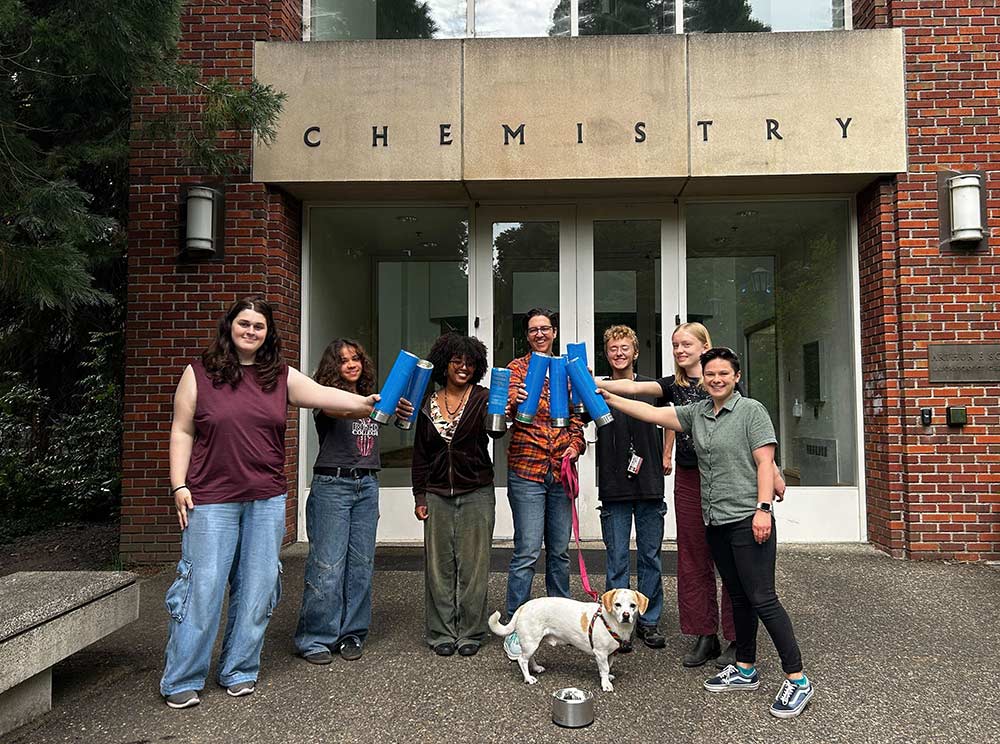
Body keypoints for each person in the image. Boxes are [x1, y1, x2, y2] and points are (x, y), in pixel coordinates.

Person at [162, 297, 378, 710]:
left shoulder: (279, 375)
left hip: (266, 498)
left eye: (258, 326)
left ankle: (239, 669)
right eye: (244, 323)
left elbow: (324, 395)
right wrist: (178, 485)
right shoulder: (198, 373)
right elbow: (182, 431)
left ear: (267, 333)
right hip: (211, 499)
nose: (250, 331)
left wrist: (369, 403)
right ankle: (182, 678)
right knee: (202, 589)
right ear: (230, 327)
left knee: (259, 588)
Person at [599, 347, 814, 719]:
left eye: (723, 374)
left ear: (736, 377)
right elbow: (651, 412)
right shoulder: (697, 413)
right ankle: (745, 668)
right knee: (738, 595)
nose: (716, 379)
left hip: (748, 518)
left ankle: (797, 679)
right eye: (711, 374)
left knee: (763, 598)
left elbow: (765, 463)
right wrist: (608, 396)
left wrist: (763, 510)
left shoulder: (751, 411)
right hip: (715, 520)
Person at [598, 322, 784, 668]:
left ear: (704, 347)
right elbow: (635, 389)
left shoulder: (722, 379)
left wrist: (773, 472)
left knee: (733, 561)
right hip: (689, 476)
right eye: (675, 345)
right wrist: (597, 384)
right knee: (693, 558)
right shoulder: (674, 385)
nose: (680, 350)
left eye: (686, 344)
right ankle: (705, 634)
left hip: (728, 477)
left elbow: (756, 434)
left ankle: (737, 638)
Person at [502, 308, 586, 661]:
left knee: (559, 552)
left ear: (554, 332)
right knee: (526, 551)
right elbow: (504, 412)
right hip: (527, 470)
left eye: (545, 328)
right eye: (533, 329)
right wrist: (513, 400)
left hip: (560, 472)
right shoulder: (516, 369)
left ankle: (561, 623)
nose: (539, 334)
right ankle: (515, 625)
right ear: (527, 335)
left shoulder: (568, 368)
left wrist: (575, 446)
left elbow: (579, 419)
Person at [295, 338, 385, 665]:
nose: (351, 364)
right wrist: (373, 406)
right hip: (333, 485)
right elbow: (340, 409)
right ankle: (315, 638)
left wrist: (395, 408)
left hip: (367, 484)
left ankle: (352, 633)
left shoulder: (371, 398)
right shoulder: (324, 396)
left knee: (361, 565)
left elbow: (385, 415)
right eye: (344, 360)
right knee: (328, 565)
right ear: (333, 366)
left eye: (356, 358)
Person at [411, 333, 501, 657]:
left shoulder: (484, 398)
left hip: (476, 491)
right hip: (436, 493)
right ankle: (441, 632)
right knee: (439, 568)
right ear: (444, 364)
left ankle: (471, 632)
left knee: (474, 566)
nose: (463, 367)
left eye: (470, 363)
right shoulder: (427, 402)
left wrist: (503, 409)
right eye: (456, 361)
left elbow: (496, 431)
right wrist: (420, 496)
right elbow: (420, 453)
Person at [592, 325, 669, 650]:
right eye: (613, 348)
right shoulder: (596, 389)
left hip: (650, 482)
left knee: (650, 556)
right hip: (614, 486)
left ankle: (648, 622)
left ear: (635, 352)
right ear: (606, 354)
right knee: (618, 559)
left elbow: (671, 417)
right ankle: (616, 629)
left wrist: (667, 452)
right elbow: (575, 419)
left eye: (625, 347)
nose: (619, 353)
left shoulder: (651, 387)